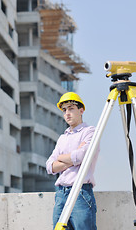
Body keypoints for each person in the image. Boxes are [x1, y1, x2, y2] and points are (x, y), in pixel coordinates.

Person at [46, 92, 99, 230]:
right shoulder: (62, 138)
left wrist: (61, 158)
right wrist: (72, 158)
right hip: (61, 194)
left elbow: (82, 156)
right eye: (64, 110)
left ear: (81, 110)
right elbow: (50, 166)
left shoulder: (90, 132)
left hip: (81, 192)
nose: (67, 113)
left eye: (71, 108)